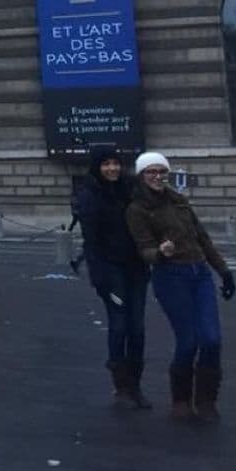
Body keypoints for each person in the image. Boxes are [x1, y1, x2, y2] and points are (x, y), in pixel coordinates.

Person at [126, 152, 235, 422]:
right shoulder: (136, 209)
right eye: (150, 172)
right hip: (170, 277)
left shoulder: (180, 202)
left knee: (212, 339)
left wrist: (224, 271)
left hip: (200, 274)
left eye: (161, 171)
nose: (157, 176)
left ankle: (207, 400)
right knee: (188, 341)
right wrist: (161, 253)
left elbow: (203, 240)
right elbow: (145, 250)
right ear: (141, 176)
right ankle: (181, 399)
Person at [75, 146, 151, 411]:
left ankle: (135, 385)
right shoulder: (89, 196)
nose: (112, 168)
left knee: (138, 329)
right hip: (111, 271)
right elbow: (91, 242)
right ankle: (121, 388)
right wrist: (99, 277)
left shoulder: (129, 189)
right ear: (98, 167)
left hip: (136, 269)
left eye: (116, 163)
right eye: (106, 164)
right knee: (119, 326)